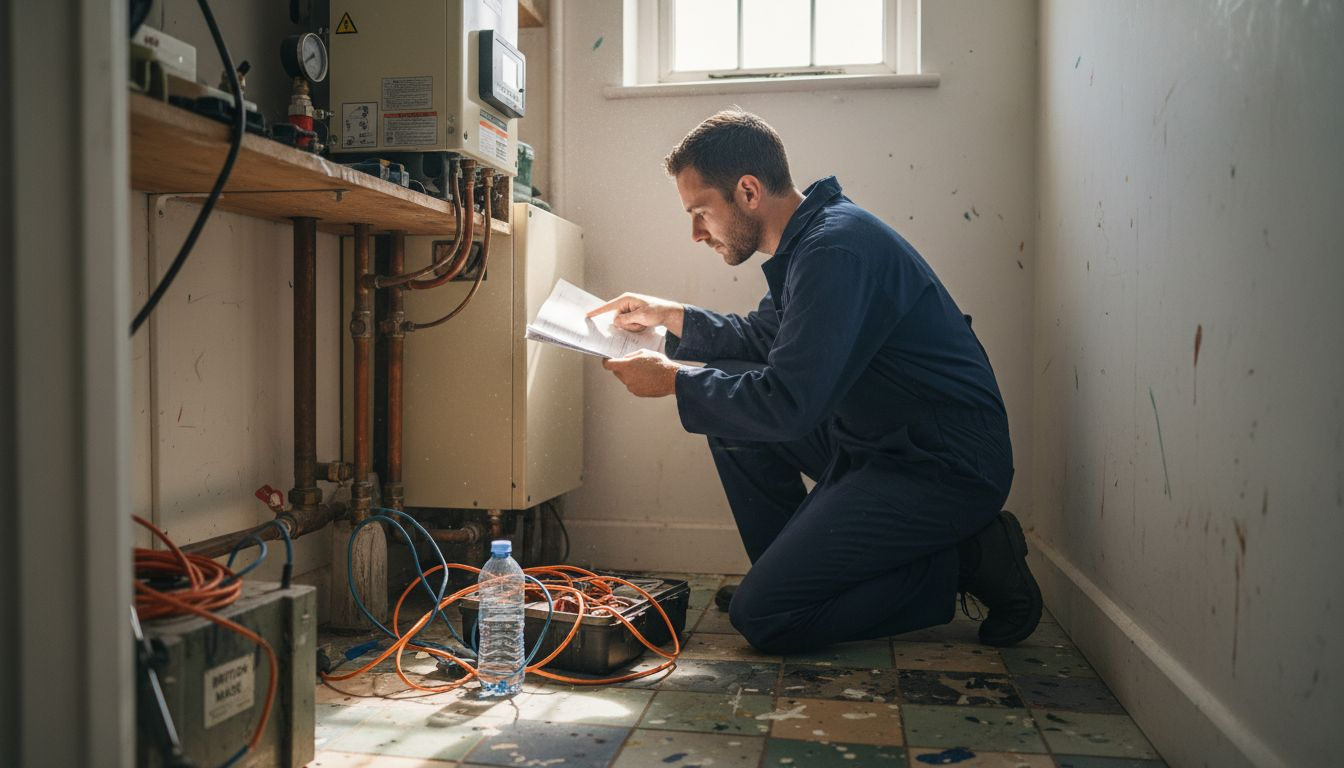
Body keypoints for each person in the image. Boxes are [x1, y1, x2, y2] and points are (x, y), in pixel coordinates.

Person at [588, 109, 1040, 652]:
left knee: (766, 618)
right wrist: (669, 314)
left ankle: (971, 558)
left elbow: (789, 404)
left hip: (940, 467)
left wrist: (673, 383)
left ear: (748, 191)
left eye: (700, 212)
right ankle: (795, 576)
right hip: (881, 437)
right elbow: (765, 338)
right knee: (729, 403)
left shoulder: (834, 250)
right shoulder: (814, 239)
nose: (695, 233)